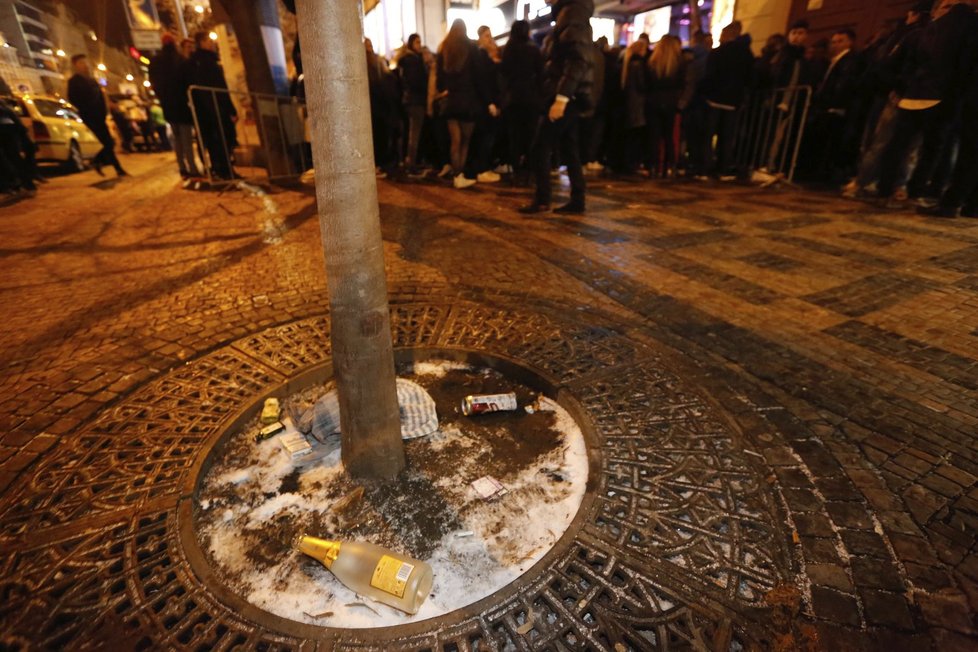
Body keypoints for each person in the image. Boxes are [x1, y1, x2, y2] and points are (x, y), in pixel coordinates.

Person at [877, 0, 978, 204]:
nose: (952, 10)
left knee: (928, 149)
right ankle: (889, 189)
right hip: (925, 96)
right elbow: (894, 65)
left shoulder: (956, 31)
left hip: (937, 97)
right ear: (935, 11)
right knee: (903, 145)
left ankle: (913, 191)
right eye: (947, 6)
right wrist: (899, 87)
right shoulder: (917, 35)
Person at [519, 0, 593, 214]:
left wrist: (561, 98)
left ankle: (543, 200)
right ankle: (577, 199)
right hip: (568, 93)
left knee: (540, 147)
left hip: (565, 94)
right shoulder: (569, 12)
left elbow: (577, 60)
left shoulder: (572, 13)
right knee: (569, 149)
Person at [430, 19, 491, 189]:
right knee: (465, 142)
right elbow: (479, 77)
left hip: (451, 102)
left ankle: (456, 175)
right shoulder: (471, 48)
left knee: (455, 141)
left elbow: (440, 83)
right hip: (469, 102)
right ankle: (460, 175)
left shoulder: (444, 50)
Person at [701, 22, 754, 179]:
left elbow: (709, 76)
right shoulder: (746, 54)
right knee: (727, 136)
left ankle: (706, 167)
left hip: (715, 99)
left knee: (708, 135)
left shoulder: (718, 53)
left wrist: (706, 93)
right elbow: (750, 78)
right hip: (732, 101)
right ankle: (723, 167)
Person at [187, 31, 238, 180]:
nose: (212, 43)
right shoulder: (208, 62)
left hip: (205, 111)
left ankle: (220, 169)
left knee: (215, 142)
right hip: (216, 109)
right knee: (224, 139)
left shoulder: (194, 62)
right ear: (202, 42)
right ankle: (225, 170)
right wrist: (230, 109)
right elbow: (220, 88)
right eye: (208, 40)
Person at [149, 33, 201, 177]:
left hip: (168, 106)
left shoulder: (155, 62)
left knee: (177, 138)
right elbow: (188, 81)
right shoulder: (179, 60)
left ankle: (182, 166)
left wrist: (163, 98)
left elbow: (154, 84)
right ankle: (192, 167)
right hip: (182, 105)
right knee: (186, 139)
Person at [67, 54, 127, 177]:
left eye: (85, 62)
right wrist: (86, 108)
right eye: (81, 63)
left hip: (99, 116)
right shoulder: (74, 82)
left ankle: (104, 163)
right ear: (75, 65)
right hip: (90, 117)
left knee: (108, 142)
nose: (85, 65)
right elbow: (73, 99)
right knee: (107, 142)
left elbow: (100, 97)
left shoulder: (92, 80)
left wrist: (104, 112)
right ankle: (112, 166)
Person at [500, 19, 544, 185]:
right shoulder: (534, 50)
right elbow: (541, 75)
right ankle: (529, 171)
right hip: (531, 99)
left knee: (514, 137)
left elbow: (503, 74)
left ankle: (516, 170)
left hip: (513, 100)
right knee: (531, 137)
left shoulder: (508, 50)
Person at [644, 35, 686, 178]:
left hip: (653, 101)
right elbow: (682, 84)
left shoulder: (652, 62)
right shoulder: (679, 62)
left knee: (653, 136)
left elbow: (647, 84)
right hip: (670, 102)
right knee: (668, 136)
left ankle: (653, 166)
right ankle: (670, 166)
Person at [396, 34, 429, 174]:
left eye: (420, 42)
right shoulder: (413, 60)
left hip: (409, 100)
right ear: (411, 44)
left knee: (411, 133)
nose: (419, 45)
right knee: (414, 134)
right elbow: (417, 81)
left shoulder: (407, 60)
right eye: (417, 42)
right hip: (415, 101)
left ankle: (409, 161)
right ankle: (411, 165)